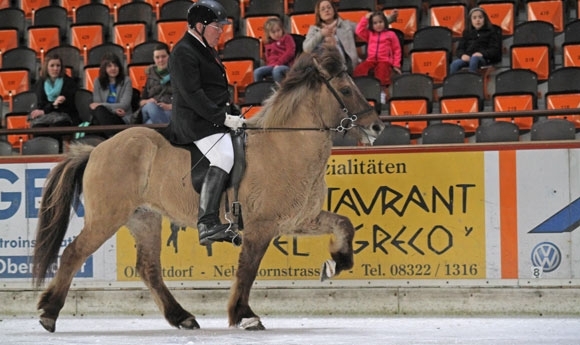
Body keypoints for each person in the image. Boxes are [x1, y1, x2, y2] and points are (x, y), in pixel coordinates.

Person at [164, 0, 245, 246]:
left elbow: (214, 88)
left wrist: (231, 110)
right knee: (224, 157)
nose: (221, 31)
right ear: (200, 26)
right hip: (194, 122)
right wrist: (223, 118)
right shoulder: (183, 52)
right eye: (217, 27)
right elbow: (194, 95)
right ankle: (207, 222)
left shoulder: (204, 47)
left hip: (212, 117)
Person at [353, 11, 402, 101]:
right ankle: (360, 92)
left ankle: (382, 92)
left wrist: (396, 65)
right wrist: (365, 18)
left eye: (380, 22)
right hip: (371, 60)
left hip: (385, 60)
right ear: (371, 25)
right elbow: (358, 30)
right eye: (375, 23)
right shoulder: (370, 34)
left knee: (382, 72)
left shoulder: (391, 34)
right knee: (359, 70)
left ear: (385, 22)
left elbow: (397, 50)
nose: (378, 25)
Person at [302, 0, 359, 74]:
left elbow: (363, 28)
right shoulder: (314, 29)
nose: (326, 10)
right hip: (323, 69)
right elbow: (306, 48)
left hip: (346, 66)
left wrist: (368, 18)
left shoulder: (346, 25)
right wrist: (321, 34)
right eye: (323, 9)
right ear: (319, 14)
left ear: (334, 10)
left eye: (329, 7)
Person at [29, 53, 79, 128]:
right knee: (38, 127)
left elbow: (70, 107)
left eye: (58, 66)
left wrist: (54, 105)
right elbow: (41, 105)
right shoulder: (41, 83)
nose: (55, 69)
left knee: (56, 128)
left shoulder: (69, 82)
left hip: (64, 116)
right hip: (46, 115)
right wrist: (53, 105)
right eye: (52, 66)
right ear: (46, 67)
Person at [449, 7, 502, 74]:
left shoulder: (492, 32)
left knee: (474, 59)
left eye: (480, 17)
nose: (477, 20)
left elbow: (494, 49)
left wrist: (482, 54)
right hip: (468, 57)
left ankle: (473, 80)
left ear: (485, 19)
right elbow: (460, 49)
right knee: (455, 64)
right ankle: (453, 83)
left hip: (484, 58)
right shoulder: (467, 32)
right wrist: (462, 55)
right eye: (474, 18)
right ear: (470, 21)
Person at [90, 52, 134, 131]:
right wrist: (114, 110)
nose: (113, 68)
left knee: (97, 117)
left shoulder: (126, 80)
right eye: (109, 66)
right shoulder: (98, 81)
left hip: (121, 118)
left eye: (115, 65)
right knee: (98, 111)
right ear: (104, 68)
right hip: (104, 116)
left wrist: (102, 105)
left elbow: (124, 105)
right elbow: (97, 106)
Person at [138, 43, 173, 124]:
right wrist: (148, 101)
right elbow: (141, 102)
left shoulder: (177, 74)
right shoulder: (150, 76)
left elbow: (184, 99)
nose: (160, 60)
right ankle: (167, 132)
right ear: (154, 59)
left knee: (149, 123)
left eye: (163, 56)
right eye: (157, 57)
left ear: (169, 57)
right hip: (150, 109)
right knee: (151, 106)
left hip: (170, 109)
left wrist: (170, 106)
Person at [253, 17, 295, 84]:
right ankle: (260, 90)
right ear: (269, 34)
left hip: (286, 65)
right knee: (257, 72)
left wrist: (279, 63)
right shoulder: (268, 43)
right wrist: (272, 64)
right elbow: (268, 58)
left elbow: (290, 52)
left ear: (282, 29)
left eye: (278, 30)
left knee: (277, 71)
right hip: (272, 65)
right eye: (273, 32)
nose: (276, 34)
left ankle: (281, 91)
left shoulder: (287, 38)